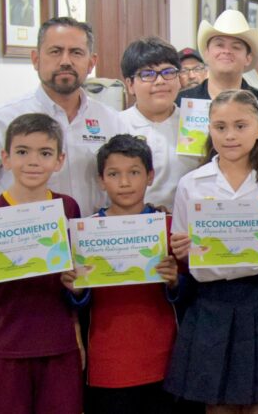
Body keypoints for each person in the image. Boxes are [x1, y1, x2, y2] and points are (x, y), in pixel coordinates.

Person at [165, 90, 258, 410]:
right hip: (210, 303)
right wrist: (181, 249)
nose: (229, 135)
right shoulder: (192, 183)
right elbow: (182, 248)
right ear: (209, 130)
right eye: (220, 126)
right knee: (217, 403)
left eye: (240, 125)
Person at [0, 113, 83, 414]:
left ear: (59, 160)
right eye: (22, 152)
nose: (33, 162)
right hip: (4, 345)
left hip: (58, 344)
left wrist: (77, 286)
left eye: (44, 153)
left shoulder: (68, 207)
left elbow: (78, 283)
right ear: (5, 158)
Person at [62, 134, 183, 413]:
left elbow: (190, 293)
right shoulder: (84, 233)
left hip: (165, 361)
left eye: (134, 173)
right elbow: (73, 301)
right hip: (107, 364)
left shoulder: (170, 228)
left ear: (150, 176)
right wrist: (76, 291)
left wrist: (175, 281)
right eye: (114, 174)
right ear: (101, 180)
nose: (125, 183)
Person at [0, 17, 118, 215]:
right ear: (36, 59)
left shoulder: (112, 121)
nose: (65, 61)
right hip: (20, 240)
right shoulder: (0, 119)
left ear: (91, 63)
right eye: (55, 51)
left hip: (93, 241)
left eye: (76, 52)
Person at [117, 37, 198, 209]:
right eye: (148, 74)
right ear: (130, 84)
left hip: (187, 228)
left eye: (168, 72)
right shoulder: (115, 125)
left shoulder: (197, 123)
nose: (160, 81)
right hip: (131, 227)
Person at [175, 9, 258, 114]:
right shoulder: (181, 102)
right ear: (206, 53)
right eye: (219, 45)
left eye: (236, 47)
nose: (227, 51)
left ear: (248, 58)